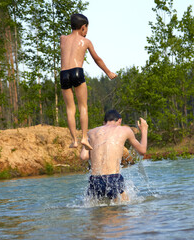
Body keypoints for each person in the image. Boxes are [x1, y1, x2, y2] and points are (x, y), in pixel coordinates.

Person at [60, 13, 117, 150]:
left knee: (70, 109)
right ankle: (84, 138)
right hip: (77, 71)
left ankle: (74, 140)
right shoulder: (86, 41)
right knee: (83, 107)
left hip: (63, 74)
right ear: (83, 27)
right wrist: (108, 72)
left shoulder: (62, 39)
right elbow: (97, 59)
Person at [80, 110, 148, 202]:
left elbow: (83, 157)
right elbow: (142, 151)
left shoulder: (91, 132)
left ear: (104, 122)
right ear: (119, 120)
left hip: (95, 179)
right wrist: (144, 130)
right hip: (113, 178)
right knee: (123, 209)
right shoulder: (125, 130)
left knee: (97, 213)